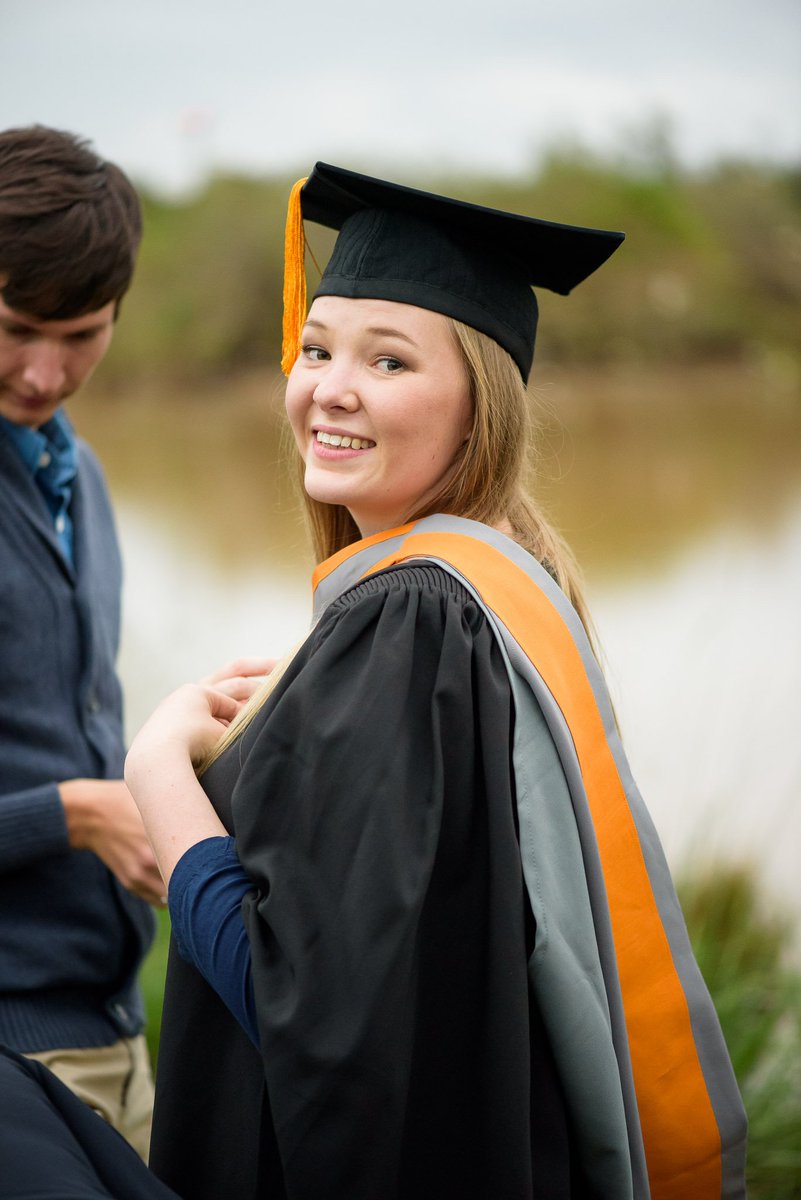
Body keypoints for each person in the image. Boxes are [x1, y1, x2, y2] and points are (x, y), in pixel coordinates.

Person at [125, 163, 747, 1198]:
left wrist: (159, 774)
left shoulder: (410, 621)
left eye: (390, 360)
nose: (330, 386)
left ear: (480, 405)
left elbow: (307, 1016)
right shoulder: (506, 583)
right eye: (317, 348)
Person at [0, 124, 162, 1159]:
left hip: (115, 1027)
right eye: (16, 327)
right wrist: (71, 816)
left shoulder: (81, 479)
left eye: (83, 333)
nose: (45, 374)